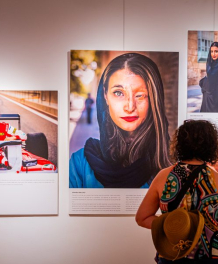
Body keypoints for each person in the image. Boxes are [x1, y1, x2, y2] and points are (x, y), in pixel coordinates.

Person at [136, 120, 218, 264]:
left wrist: (174, 224)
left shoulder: (163, 177)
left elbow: (142, 218)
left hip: (173, 257)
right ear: (211, 145)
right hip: (213, 259)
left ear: (180, 144)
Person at [69, 53, 171, 188]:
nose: (130, 107)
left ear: (153, 99)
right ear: (105, 95)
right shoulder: (79, 164)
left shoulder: (173, 165)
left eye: (140, 95)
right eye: (118, 93)